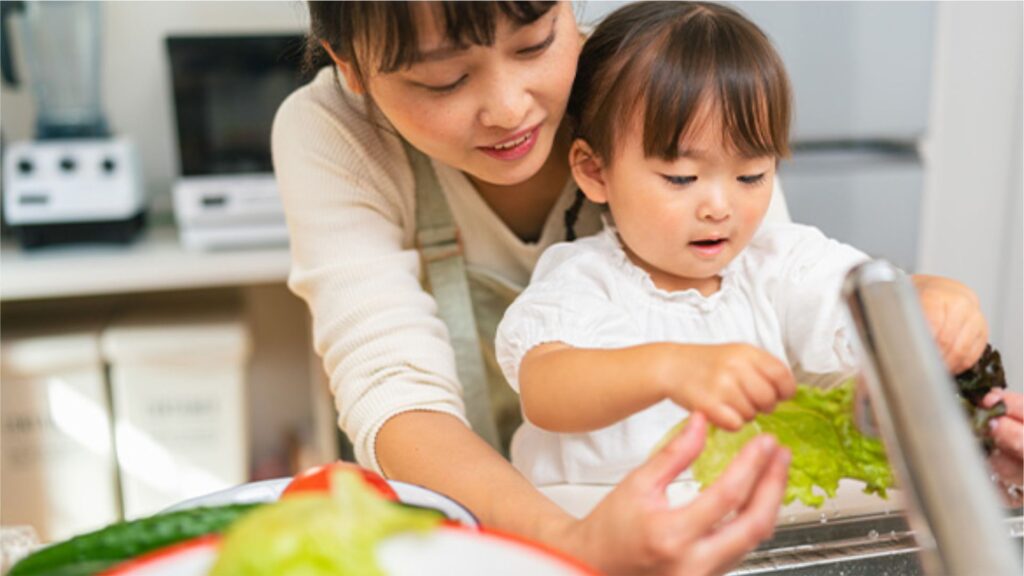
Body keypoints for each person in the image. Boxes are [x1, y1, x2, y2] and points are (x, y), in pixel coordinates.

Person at [273, 2, 790, 574]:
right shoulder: (332, 131)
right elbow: (395, 392)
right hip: (463, 541)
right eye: (443, 79)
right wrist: (570, 545)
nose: (508, 108)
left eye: (535, 45)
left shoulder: (666, 82)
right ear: (349, 66)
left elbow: (774, 292)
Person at [494, 0, 995, 502]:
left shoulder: (777, 264)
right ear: (595, 172)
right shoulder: (585, 279)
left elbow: (862, 303)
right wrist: (671, 368)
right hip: (593, 537)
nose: (719, 207)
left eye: (751, 175)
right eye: (681, 178)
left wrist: (933, 296)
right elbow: (546, 389)